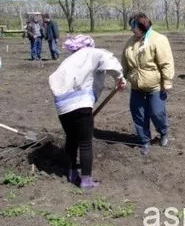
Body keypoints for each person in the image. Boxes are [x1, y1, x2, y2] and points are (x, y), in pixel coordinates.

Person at [48, 35, 127, 190]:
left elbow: (54, 79)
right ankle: (86, 181)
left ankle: (72, 174)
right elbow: (109, 61)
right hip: (81, 104)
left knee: (71, 139)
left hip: (62, 106)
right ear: (88, 45)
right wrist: (120, 79)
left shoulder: (69, 61)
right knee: (85, 143)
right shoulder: (92, 52)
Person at [121, 13, 175, 156]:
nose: (131, 30)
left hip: (155, 86)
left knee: (157, 113)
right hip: (136, 86)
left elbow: (166, 62)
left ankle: (163, 133)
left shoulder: (158, 39)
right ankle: (144, 141)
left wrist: (167, 81)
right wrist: (122, 78)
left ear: (142, 26)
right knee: (138, 114)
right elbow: (125, 62)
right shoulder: (130, 42)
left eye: (133, 27)